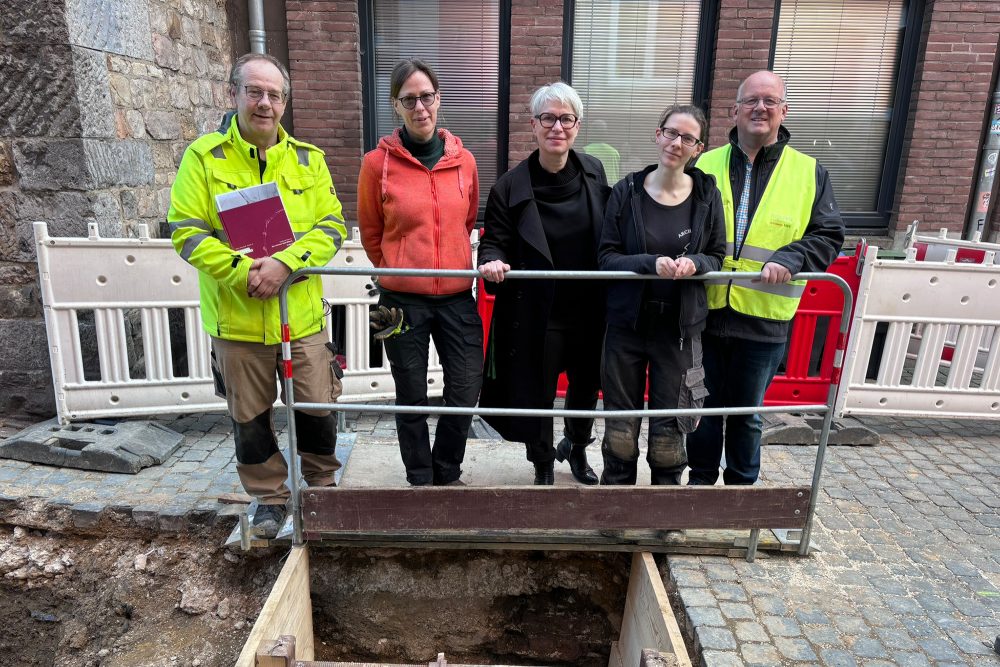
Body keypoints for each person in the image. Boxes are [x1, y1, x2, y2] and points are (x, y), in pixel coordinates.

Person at [168, 53, 348, 538]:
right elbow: (186, 232)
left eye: (274, 94)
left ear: (284, 103)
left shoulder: (309, 160)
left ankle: (321, 485)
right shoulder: (204, 158)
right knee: (250, 419)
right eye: (255, 92)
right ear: (234, 96)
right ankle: (268, 499)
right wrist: (245, 271)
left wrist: (286, 264)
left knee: (315, 408)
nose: (264, 103)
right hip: (238, 321)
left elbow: (331, 226)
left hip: (302, 317)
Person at [687, 70, 845, 486]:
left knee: (746, 415)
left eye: (770, 101)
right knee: (701, 409)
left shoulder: (809, 172)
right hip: (706, 311)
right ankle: (699, 492)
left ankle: (740, 498)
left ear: (783, 111)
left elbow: (828, 234)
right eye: (752, 100)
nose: (760, 108)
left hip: (764, 317)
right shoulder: (703, 163)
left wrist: (793, 257)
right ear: (734, 110)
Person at [478, 82, 611, 486]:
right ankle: (541, 462)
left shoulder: (594, 171)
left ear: (577, 125)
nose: (558, 126)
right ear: (533, 125)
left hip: (589, 307)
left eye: (566, 118)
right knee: (538, 391)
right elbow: (495, 240)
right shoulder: (509, 185)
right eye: (548, 118)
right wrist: (491, 261)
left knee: (587, 387)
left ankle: (576, 447)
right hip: (538, 310)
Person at [357, 58, 481, 487]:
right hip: (398, 301)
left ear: (438, 99)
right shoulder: (377, 164)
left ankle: (446, 471)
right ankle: (419, 478)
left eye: (426, 96)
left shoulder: (464, 161)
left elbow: (466, 222)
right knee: (410, 393)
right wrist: (397, 269)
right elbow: (372, 231)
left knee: (465, 387)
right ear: (396, 105)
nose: (420, 107)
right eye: (409, 99)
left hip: (456, 296)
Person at [597, 104, 725, 486]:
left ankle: (662, 514)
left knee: (671, 424)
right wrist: (648, 263)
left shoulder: (706, 196)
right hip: (627, 325)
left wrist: (697, 265)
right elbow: (606, 258)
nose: (676, 142)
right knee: (621, 423)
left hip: (680, 329)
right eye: (671, 132)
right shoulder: (628, 191)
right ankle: (616, 504)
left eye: (687, 137)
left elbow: (717, 255)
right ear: (658, 135)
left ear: (698, 148)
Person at [583, 119, 621, 183]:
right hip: (612, 189)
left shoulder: (585, 151)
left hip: (594, 188)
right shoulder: (614, 152)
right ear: (605, 133)